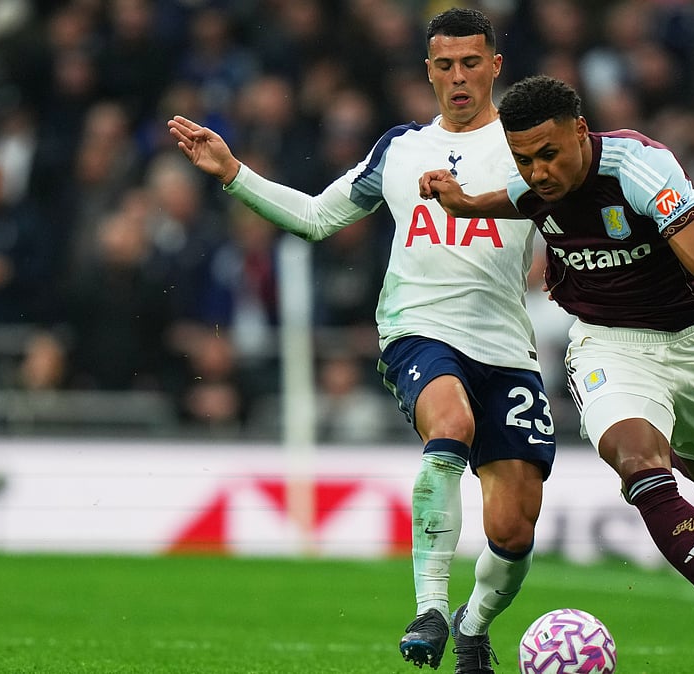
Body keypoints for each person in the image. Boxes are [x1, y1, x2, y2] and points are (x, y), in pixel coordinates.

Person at [168, 9, 555, 674]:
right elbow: (319, 218)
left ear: (495, 66)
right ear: (428, 71)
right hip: (418, 330)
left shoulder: (531, 150)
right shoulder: (399, 150)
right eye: (444, 65)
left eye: (471, 63)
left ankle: (471, 624)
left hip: (506, 348)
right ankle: (431, 608)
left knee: (513, 531)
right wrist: (235, 172)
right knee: (451, 421)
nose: (458, 77)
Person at [421, 75, 694, 668]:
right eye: (524, 159)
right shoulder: (533, 177)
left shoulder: (640, 167)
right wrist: (464, 202)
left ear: (580, 131)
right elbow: (516, 196)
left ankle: (666, 440)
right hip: (608, 345)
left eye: (549, 154)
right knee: (639, 468)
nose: (538, 171)